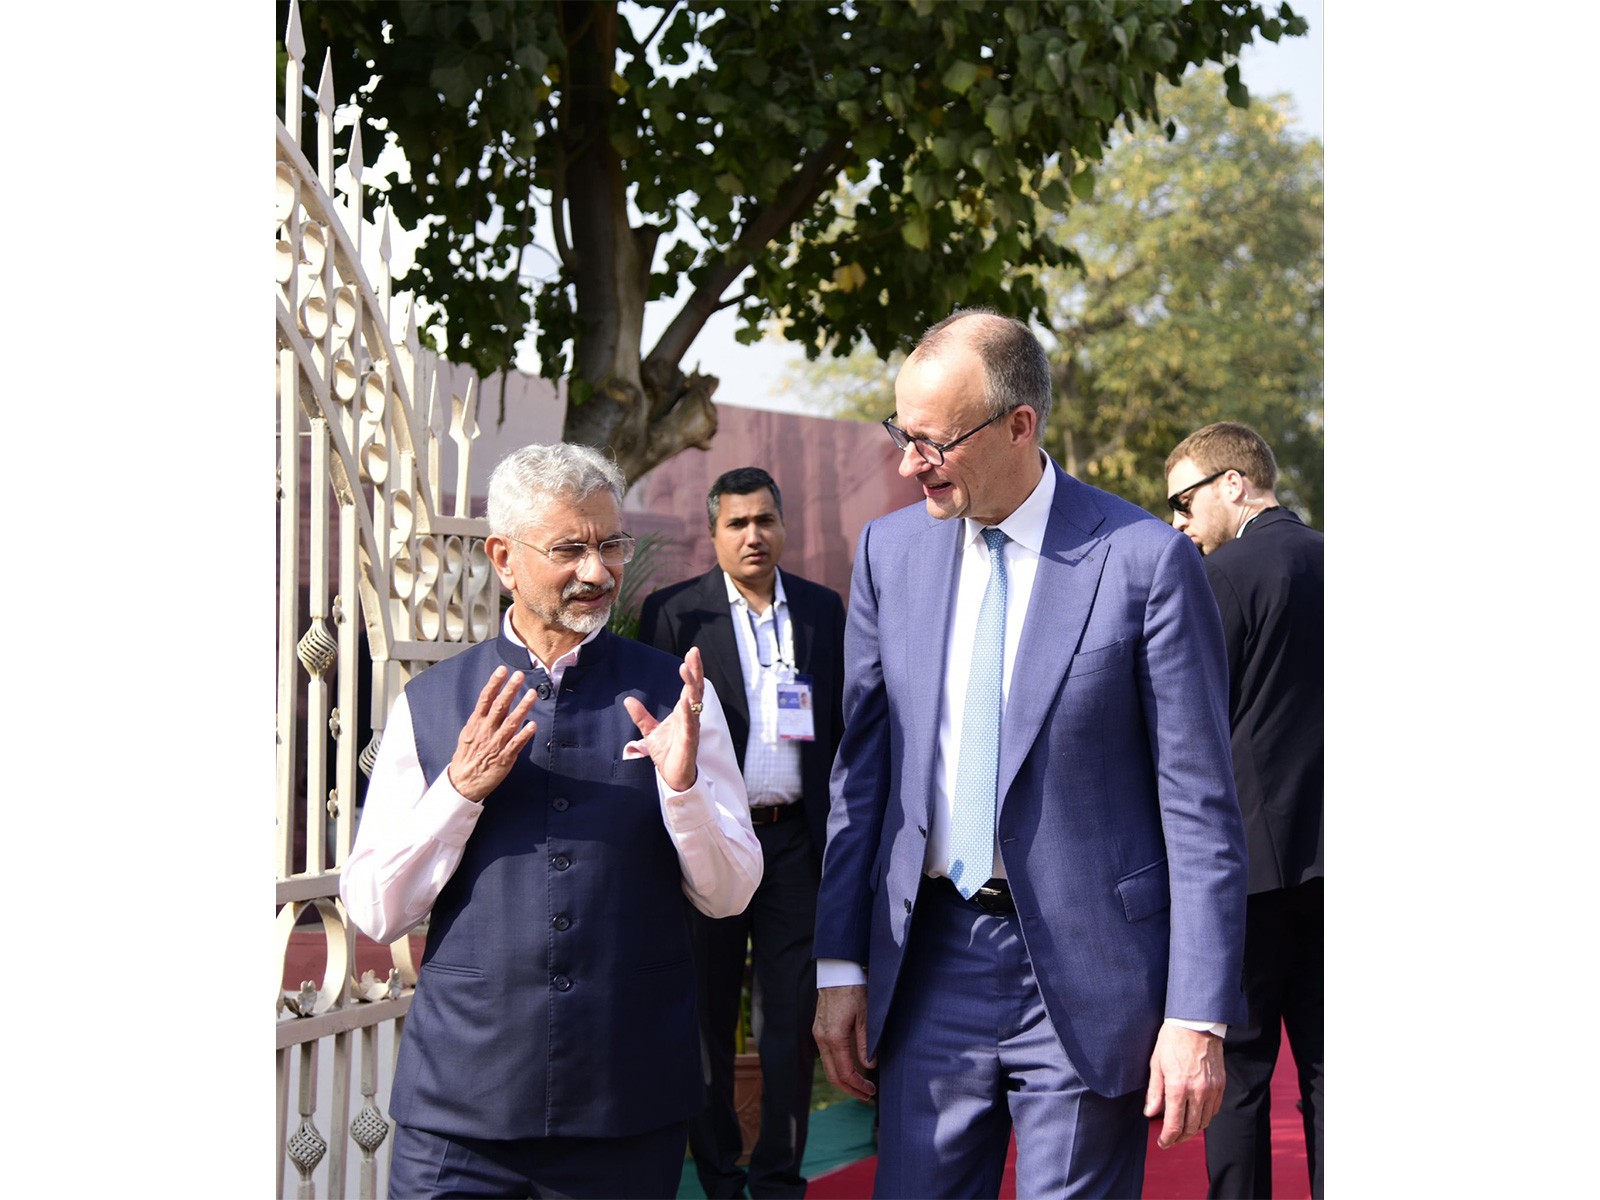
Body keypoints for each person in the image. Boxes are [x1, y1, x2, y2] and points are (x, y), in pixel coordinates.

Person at [812, 310, 1248, 1198]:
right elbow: (861, 779)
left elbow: (1199, 808)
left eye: (933, 441)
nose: (907, 463)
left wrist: (1197, 1014)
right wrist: (840, 964)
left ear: (1020, 425)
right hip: (928, 960)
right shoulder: (889, 553)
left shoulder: (1143, 561)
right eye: (902, 433)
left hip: (1089, 978)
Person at [341, 442, 763, 1200]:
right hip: (460, 1110)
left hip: (625, 1105)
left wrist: (685, 789)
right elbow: (375, 909)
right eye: (570, 548)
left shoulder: (676, 696)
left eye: (610, 545)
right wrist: (459, 792)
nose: (598, 572)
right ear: (504, 556)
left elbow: (730, 894)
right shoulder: (432, 704)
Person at [639, 467, 846, 1198]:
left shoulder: (825, 612)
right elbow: (655, 739)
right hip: (714, 843)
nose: (753, 534)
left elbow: (844, 732)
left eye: (764, 520)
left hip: (795, 845)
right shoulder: (674, 615)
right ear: (714, 532)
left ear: (782, 525)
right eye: (737, 523)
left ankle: (780, 1180)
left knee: (788, 1023)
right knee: (705, 1016)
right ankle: (720, 1178)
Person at [1164, 423, 1323, 1199]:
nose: (1178, 524)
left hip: (1251, 877)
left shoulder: (1220, 578)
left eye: (1185, 501)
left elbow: (1189, 727)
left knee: (1244, 1078)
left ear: (1235, 484)